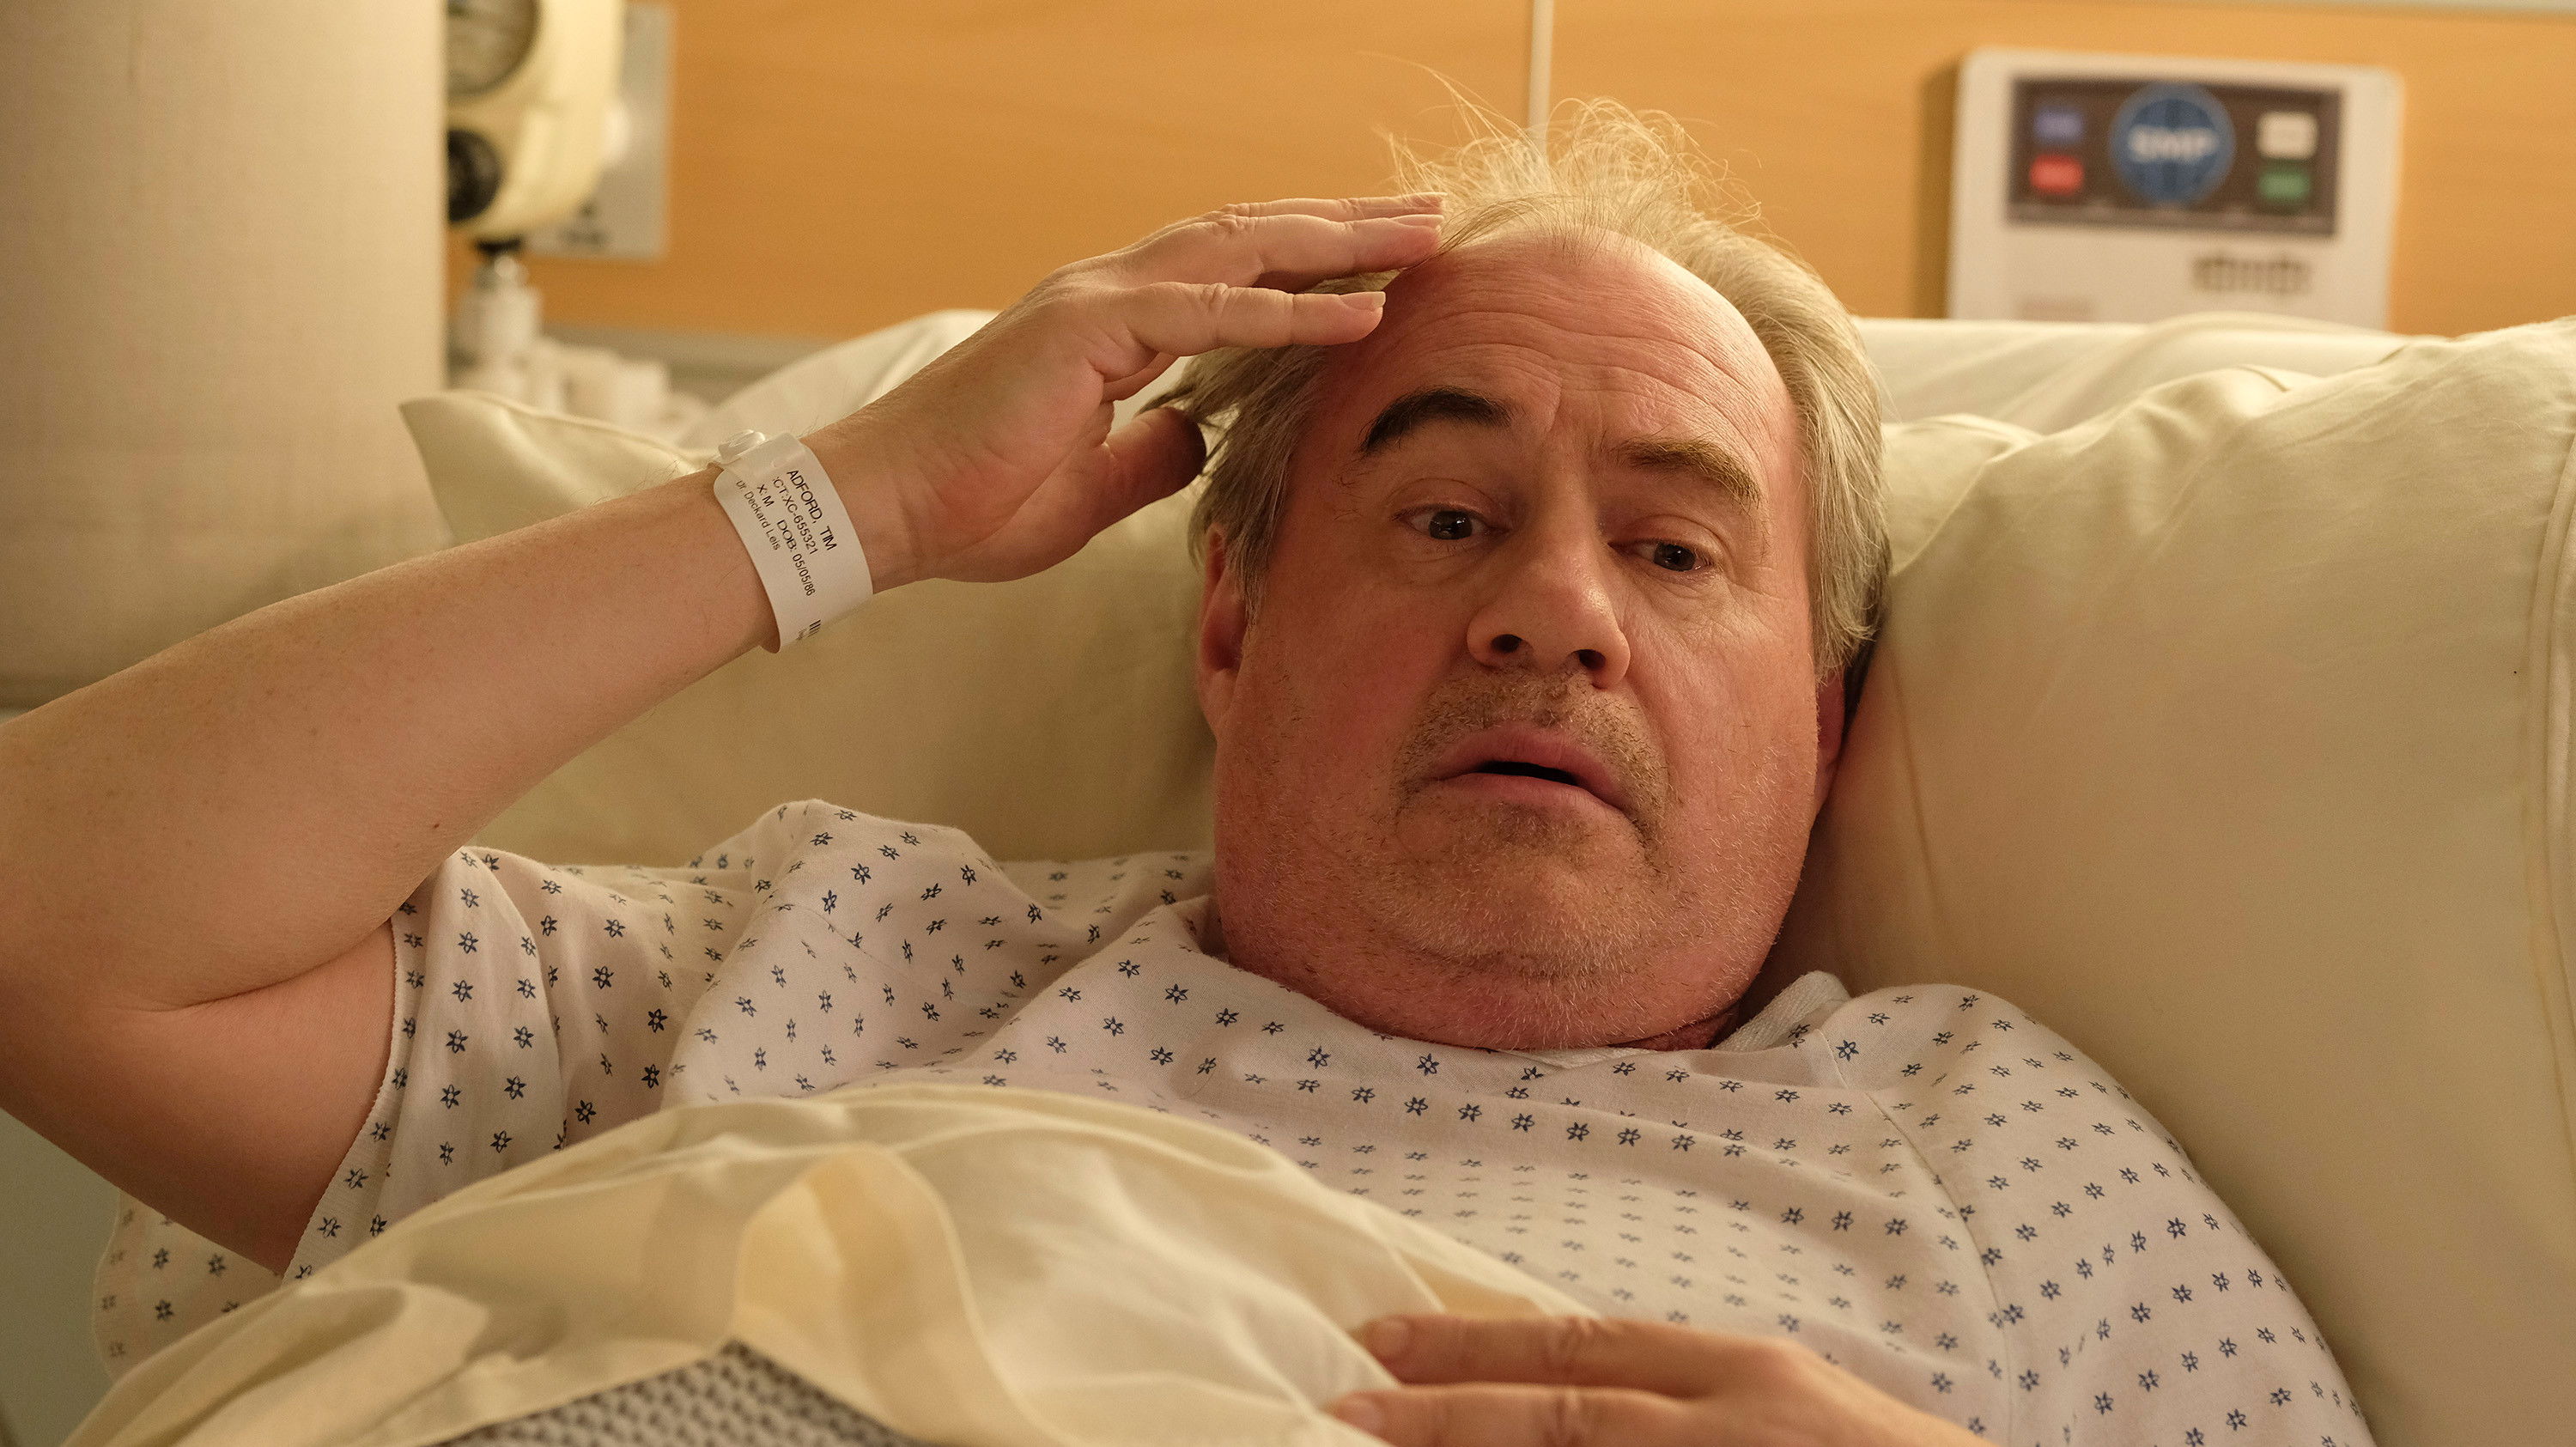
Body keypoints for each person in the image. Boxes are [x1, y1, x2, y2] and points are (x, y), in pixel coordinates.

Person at [0, 102, 2371, 1447]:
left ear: (1826, 719)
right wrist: (848, 507)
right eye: (1442, 517)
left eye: (1675, 549)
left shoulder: (1994, 1160)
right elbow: (56, 930)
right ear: (1228, 627)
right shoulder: (843, 961)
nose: (1556, 609)